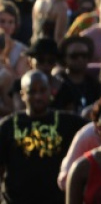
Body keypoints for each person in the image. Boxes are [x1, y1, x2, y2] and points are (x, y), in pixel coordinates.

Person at [0, 70, 86, 204]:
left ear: (50, 92)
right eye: (32, 92)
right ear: (22, 95)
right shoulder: (7, 126)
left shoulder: (69, 122)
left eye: (42, 90)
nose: (38, 96)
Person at [52, 36, 101, 113]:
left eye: (84, 55)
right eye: (74, 56)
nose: (80, 59)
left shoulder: (94, 84)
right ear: (64, 58)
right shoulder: (58, 83)